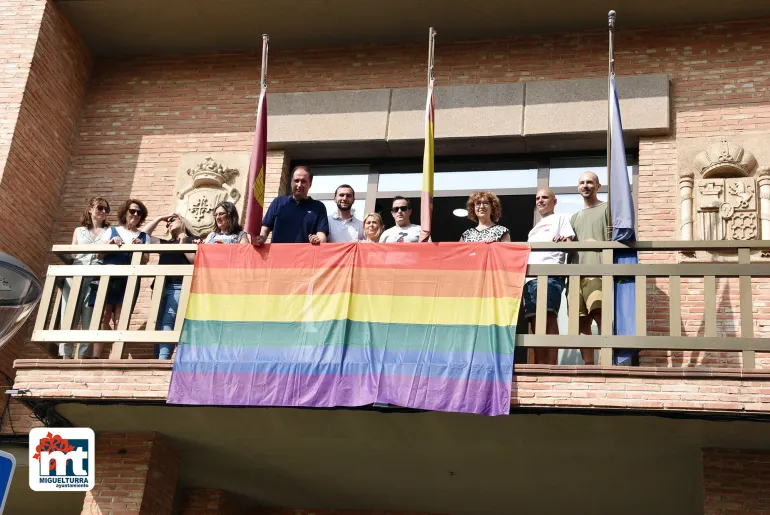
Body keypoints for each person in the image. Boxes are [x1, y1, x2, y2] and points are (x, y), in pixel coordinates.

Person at [88, 198, 153, 358]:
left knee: (121, 318)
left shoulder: (144, 237)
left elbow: (145, 260)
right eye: (132, 211)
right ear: (125, 213)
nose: (136, 214)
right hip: (108, 277)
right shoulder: (112, 231)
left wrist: (140, 249)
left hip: (129, 281)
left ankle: (115, 357)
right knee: (104, 315)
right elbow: (99, 254)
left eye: (139, 212)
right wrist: (110, 243)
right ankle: (96, 356)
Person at [523, 188, 575, 365]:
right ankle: (539, 365)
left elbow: (570, 243)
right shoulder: (533, 230)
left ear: (554, 201)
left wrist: (563, 241)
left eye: (545, 197)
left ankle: (551, 366)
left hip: (550, 274)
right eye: (537, 198)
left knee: (548, 317)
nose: (540, 201)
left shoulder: (560, 218)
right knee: (535, 322)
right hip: (530, 279)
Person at [60, 197, 111, 359]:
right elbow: (73, 252)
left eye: (106, 209)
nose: (103, 211)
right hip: (75, 275)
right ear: (90, 209)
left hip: (96, 277)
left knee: (91, 316)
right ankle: (66, 355)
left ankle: (83, 356)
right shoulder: (79, 231)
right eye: (100, 208)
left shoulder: (109, 232)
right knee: (68, 313)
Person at [570, 172, 611, 365]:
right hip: (576, 275)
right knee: (580, 322)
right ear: (578, 187)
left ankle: (605, 363)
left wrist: (599, 243)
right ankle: (588, 366)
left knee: (600, 315)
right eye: (582, 182)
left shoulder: (607, 209)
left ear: (598, 186)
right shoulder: (574, 217)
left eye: (589, 182)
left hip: (598, 272)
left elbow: (619, 238)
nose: (585, 185)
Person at [143, 213, 196, 360]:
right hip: (160, 287)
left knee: (168, 321)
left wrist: (183, 243)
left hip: (179, 286)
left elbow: (195, 261)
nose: (169, 223)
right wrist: (160, 218)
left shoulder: (193, 241)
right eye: (168, 223)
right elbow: (144, 236)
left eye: (173, 220)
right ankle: (157, 360)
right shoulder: (165, 243)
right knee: (158, 322)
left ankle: (163, 359)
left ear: (183, 222)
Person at [253, 166, 329, 245]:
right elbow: (265, 228)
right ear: (291, 182)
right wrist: (261, 238)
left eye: (303, 181)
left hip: (305, 256)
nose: (299, 185)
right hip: (277, 255)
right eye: (296, 181)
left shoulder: (319, 207)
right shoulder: (278, 202)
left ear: (310, 184)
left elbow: (322, 235)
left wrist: (318, 239)